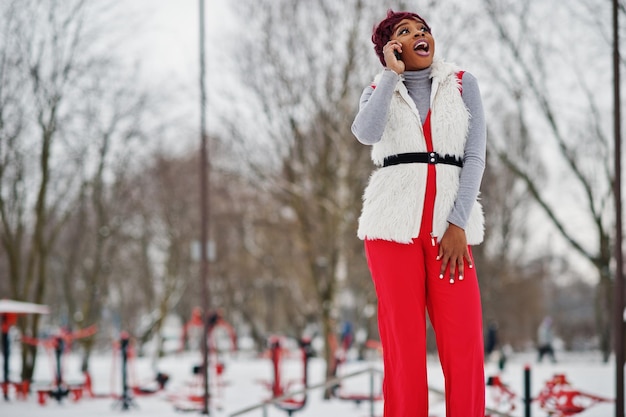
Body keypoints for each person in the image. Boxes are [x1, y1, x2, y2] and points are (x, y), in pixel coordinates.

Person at [351, 9, 487, 417]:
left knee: (464, 346)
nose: (419, 35)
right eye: (404, 33)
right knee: (403, 348)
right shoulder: (379, 89)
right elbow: (365, 133)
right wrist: (390, 77)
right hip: (391, 232)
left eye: (423, 29)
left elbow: (475, 156)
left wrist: (458, 222)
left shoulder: (463, 84)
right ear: (391, 49)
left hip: (450, 232)